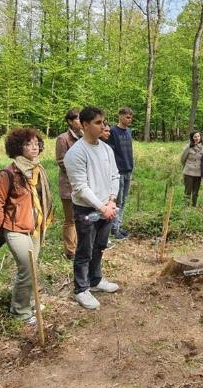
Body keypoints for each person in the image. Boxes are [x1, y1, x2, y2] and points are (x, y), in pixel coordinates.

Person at [0, 128, 53, 324]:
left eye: (36, 143)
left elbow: (43, 199)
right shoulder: (8, 173)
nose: (34, 147)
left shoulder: (37, 169)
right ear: (17, 147)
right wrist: (6, 228)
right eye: (28, 144)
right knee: (28, 267)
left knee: (32, 268)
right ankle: (20, 310)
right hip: (16, 229)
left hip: (36, 227)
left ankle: (30, 301)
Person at [63, 106, 121, 310]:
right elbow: (80, 188)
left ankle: (96, 280)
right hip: (87, 210)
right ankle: (81, 289)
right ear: (85, 125)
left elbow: (115, 175)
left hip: (107, 207)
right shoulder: (76, 153)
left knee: (100, 246)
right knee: (85, 250)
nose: (103, 126)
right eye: (98, 122)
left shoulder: (106, 149)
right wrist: (101, 206)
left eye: (104, 122)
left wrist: (112, 200)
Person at [55, 108, 83, 259]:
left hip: (82, 187)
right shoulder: (63, 139)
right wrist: (80, 170)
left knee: (81, 217)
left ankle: (79, 246)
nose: (80, 121)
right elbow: (61, 161)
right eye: (77, 119)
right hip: (68, 186)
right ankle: (70, 251)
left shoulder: (85, 137)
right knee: (70, 219)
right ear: (70, 122)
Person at [107, 107, 134, 240]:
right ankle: (114, 229)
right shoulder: (113, 131)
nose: (129, 120)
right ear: (120, 116)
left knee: (124, 200)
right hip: (118, 171)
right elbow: (110, 152)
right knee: (118, 200)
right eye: (127, 117)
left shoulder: (129, 131)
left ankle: (118, 225)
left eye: (131, 117)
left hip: (129, 169)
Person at [181, 131, 203, 207]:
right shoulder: (188, 147)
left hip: (198, 173)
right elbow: (182, 159)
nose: (197, 138)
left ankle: (193, 206)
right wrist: (187, 167)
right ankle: (186, 207)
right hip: (188, 172)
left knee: (195, 192)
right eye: (195, 137)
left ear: (200, 137)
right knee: (188, 191)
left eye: (198, 136)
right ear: (192, 138)